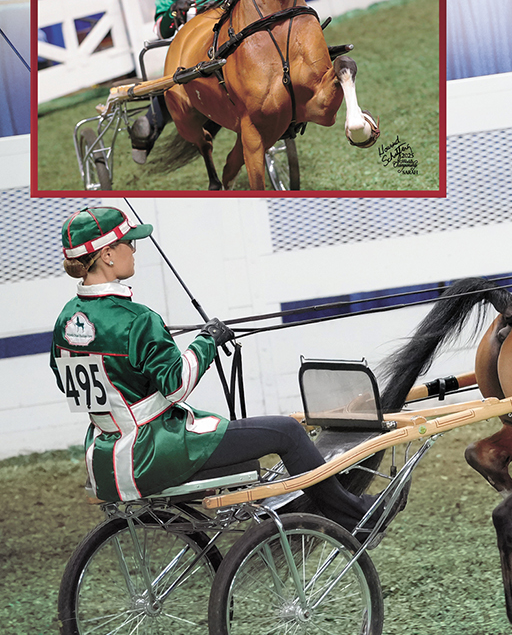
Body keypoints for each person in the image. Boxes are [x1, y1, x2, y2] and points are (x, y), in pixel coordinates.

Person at [52, 207, 371, 529]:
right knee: (287, 431)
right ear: (107, 254)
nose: (134, 251)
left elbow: (73, 384)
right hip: (149, 454)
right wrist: (208, 341)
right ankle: (355, 516)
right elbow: (176, 385)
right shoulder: (137, 319)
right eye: (129, 243)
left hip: (104, 458)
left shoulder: (65, 320)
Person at [130, 0, 226, 164]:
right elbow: (161, 31)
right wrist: (174, 11)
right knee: (173, 88)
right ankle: (147, 130)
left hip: (228, 45)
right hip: (189, 57)